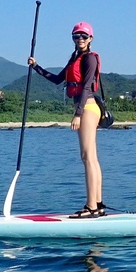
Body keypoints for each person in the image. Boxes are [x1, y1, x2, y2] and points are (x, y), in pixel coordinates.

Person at [28, 21, 106, 218]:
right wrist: (36, 67)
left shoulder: (90, 59)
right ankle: (98, 204)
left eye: (84, 36)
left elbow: (87, 86)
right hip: (85, 107)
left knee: (87, 157)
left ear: (91, 39)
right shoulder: (75, 58)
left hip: (87, 107)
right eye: (76, 36)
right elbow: (57, 79)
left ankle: (91, 207)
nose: (80, 39)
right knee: (91, 158)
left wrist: (78, 114)